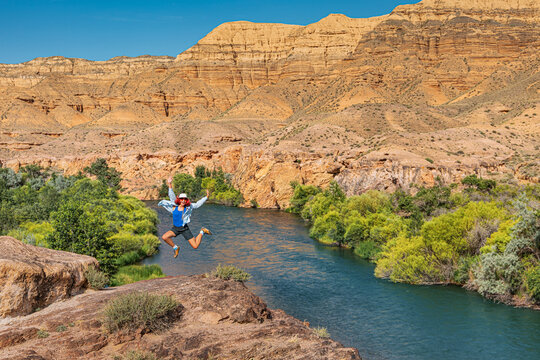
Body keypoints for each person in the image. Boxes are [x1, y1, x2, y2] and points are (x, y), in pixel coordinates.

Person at [158, 177, 212, 258]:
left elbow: (197, 204)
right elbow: (171, 195)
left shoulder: (188, 207)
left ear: (186, 200)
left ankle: (202, 231)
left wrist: (206, 197)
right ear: (179, 200)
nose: (183, 200)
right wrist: (169, 184)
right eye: (181, 199)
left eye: (185, 199)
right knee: (164, 237)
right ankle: (176, 247)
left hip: (184, 229)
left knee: (195, 246)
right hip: (175, 228)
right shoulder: (174, 206)